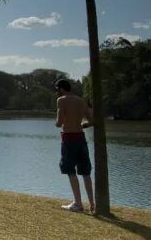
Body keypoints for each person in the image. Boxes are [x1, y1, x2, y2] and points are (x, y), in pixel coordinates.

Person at [54, 78, 94, 213]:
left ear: (61, 89)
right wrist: (83, 125)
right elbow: (91, 120)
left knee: (70, 170)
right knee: (85, 172)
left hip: (68, 138)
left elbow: (59, 122)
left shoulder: (61, 100)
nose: (57, 93)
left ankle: (78, 203)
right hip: (80, 138)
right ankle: (92, 204)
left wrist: (59, 122)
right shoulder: (81, 100)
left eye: (57, 90)